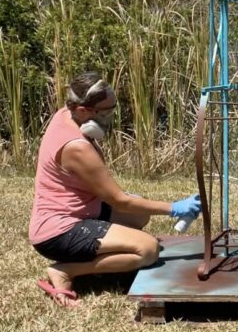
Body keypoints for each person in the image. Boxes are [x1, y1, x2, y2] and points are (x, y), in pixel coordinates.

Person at [29, 71, 200, 307]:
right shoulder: (76, 148)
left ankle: (105, 256)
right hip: (59, 231)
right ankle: (66, 270)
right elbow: (119, 200)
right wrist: (173, 207)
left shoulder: (65, 115)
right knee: (147, 250)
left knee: (140, 214)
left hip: (81, 210)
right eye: (106, 112)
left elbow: (125, 204)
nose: (110, 117)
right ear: (82, 110)